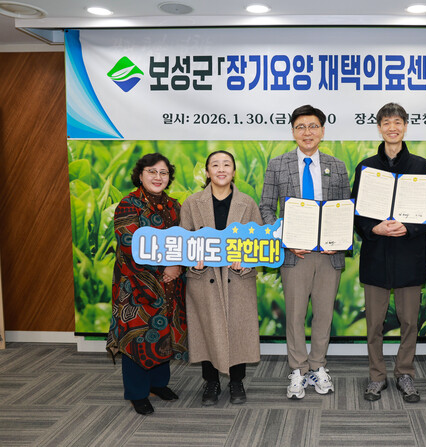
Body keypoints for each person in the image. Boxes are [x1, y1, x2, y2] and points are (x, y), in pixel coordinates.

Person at [259, 104, 351, 399]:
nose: (307, 132)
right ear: (293, 132)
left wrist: (337, 241)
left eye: (313, 126)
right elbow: (266, 208)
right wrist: (284, 238)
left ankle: (318, 366)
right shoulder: (277, 164)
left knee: (323, 315)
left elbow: (345, 209)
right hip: (293, 253)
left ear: (322, 131)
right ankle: (298, 369)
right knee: (295, 315)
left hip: (328, 254)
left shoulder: (337, 166)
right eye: (301, 127)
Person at [351, 102, 426, 403]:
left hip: (408, 256)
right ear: (379, 128)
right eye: (387, 123)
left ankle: (405, 373)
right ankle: (376, 376)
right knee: (374, 325)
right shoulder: (366, 167)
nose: (392, 128)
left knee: (410, 323)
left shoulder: (421, 167)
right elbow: (355, 211)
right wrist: (373, 228)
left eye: (398, 122)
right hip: (376, 256)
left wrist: (409, 228)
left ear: (405, 126)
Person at [180, 150, 263, 406]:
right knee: (206, 330)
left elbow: (260, 242)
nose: (221, 169)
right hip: (204, 277)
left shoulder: (247, 203)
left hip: (237, 278)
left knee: (238, 330)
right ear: (207, 172)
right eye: (215, 165)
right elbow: (184, 240)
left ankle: (237, 381)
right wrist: (192, 260)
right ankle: (211, 382)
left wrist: (247, 260)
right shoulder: (192, 203)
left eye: (227, 164)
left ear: (234, 171)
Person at [107, 153, 187, 415]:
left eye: (163, 173)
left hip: (170, 285)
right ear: (140, 176)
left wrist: (177, 266)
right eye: (152, 171)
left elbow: (185, 242)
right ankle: (137, 393)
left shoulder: (174, 206)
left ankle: (158, 384)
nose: (158, 177)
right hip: (136, 285)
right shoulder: (128, 205)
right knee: (138, 337)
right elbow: (130, 245)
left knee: (162, 333)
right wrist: (165, 268)